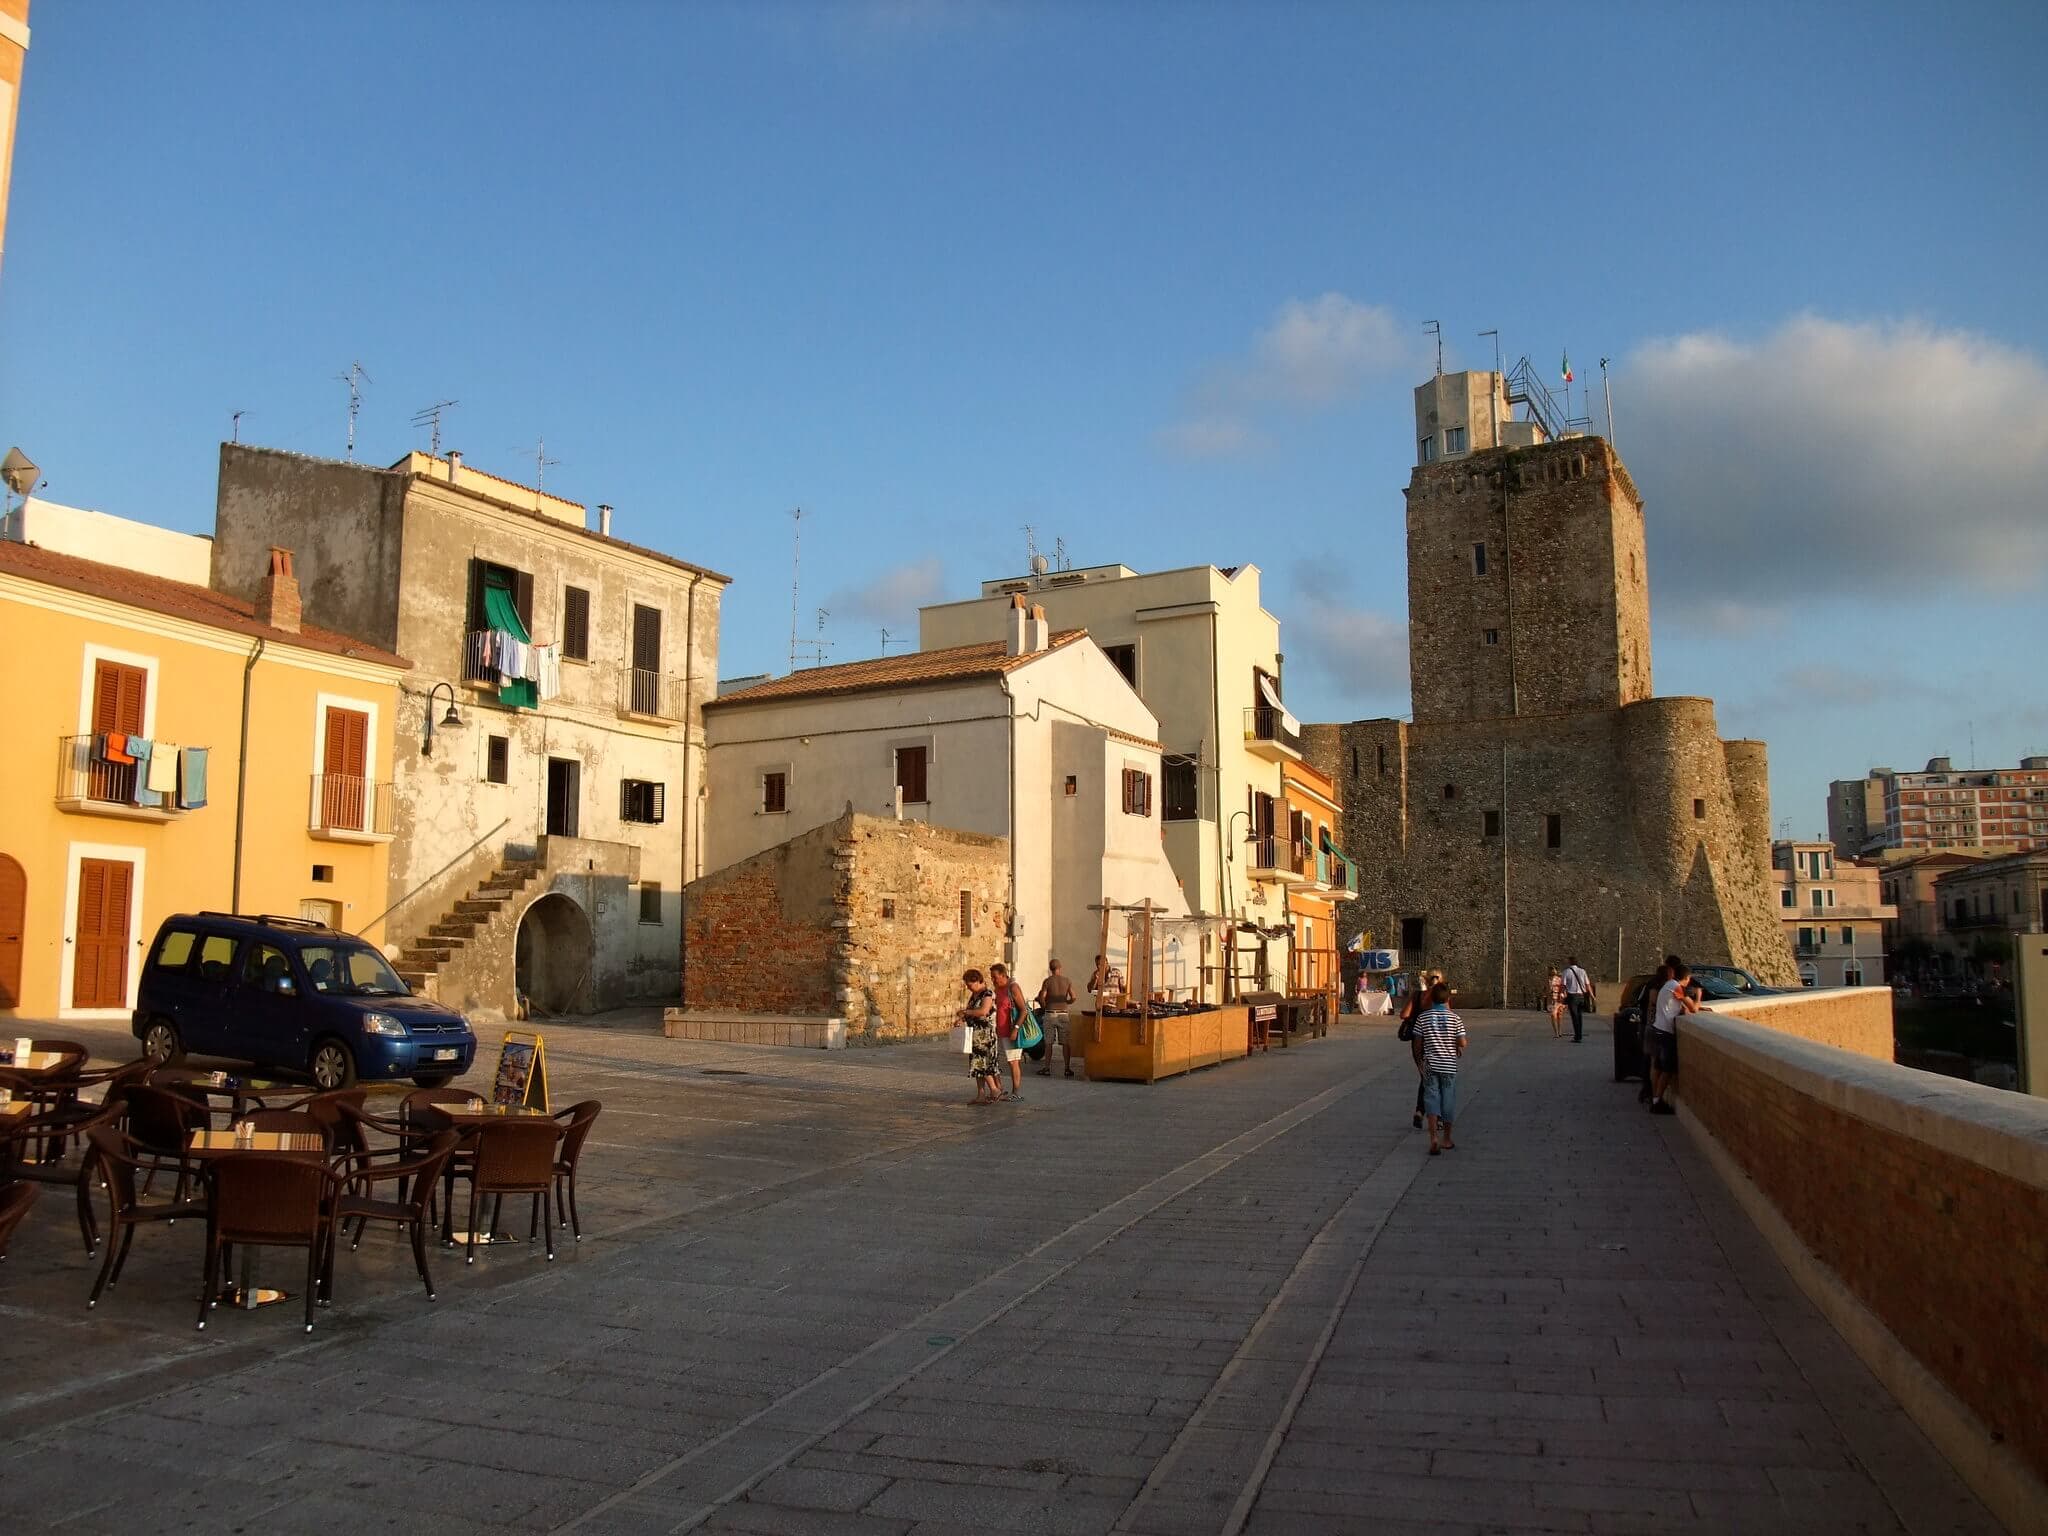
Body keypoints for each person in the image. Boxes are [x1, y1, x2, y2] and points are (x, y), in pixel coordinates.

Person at [1413, 982, 1467, 1154]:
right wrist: (1456, 1044)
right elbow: (1462, 1042)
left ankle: (1433, 1138)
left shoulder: (1423, 1017)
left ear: (1431, 999)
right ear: (1448, 999)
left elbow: (1417, 1044)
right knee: (1448, 1100)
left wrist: (1420, 1063)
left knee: (1431, 1100)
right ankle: (1447, 1139)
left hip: (1430, 1064)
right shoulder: (1455, 1018)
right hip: (1449, 1065)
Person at [1648, 957, 1699, 1115]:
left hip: (1657, 1030)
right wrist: (1698, 996)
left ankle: (1655, 1099)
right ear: (1686, 978)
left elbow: (1677, 1007)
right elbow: (1694, 1008)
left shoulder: (1668, 986)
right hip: (1665, 1033)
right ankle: (1657, 1102)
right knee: (1667, 1070)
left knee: (1658, 1067)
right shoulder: (1677, 987)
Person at [959, 969, 1000, 1104]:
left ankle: (994, 1090)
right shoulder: (974, 996)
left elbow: (983, 1011)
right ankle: (981, 1094)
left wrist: (967, 1012)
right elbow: (972, 1013)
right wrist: (962, 1019)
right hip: (975, 1034)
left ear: (977, 981)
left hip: (985, 1035)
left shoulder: (987, 994)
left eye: (970, 984)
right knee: (976, 1066)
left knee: (982, 1064)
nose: (968, 988)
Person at [989, 962, 1028, 1103]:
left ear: (1004, 975)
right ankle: (999, 1089)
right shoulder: (997, 989)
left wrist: (1016, 1029)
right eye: (992, 977)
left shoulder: (1013, 988)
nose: (993, 980)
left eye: (995, 977)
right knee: (993, 1061)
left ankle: (1015, 1091)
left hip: (1010, 1030)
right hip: (998, 1031)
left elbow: (1023, 1010)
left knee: (1013, 1061)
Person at [1035, 958, 1077, 1078]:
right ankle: (1067, 1068)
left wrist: (1044, 1006)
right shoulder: (1067, 981)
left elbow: (1042, 997)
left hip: (1050, 1013)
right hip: (1063, 1013)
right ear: (1060, 968)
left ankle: (1047, 1068)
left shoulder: (1047, 981)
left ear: (1050, 969)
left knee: (1048, 1043)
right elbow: (1074, 997)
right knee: (1065, 1042)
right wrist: (1066, 1002)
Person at [1561, 956, 1595, 1043]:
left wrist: (1563, 994)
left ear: (1569, 962)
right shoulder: (1582, 971)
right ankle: (1579, 1034)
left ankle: (1577, 1036)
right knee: (1579, 1016)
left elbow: (1563, 985)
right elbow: (1587, 984)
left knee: (1575, 1017)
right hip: (1581, 996)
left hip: (1572, 996)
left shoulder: (1566, 972)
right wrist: (1592, 996)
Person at [1545, 967, 1565, 1038]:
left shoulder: (1559, 979)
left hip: (1559, 1000)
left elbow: (1562, 988)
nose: (1553, 971)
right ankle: (1556, 1033)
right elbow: (1547, 990)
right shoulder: (1548, 980)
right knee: (1553, 1015)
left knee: (1559, 1016)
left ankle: (1559, 1031)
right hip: (1552, 1000)